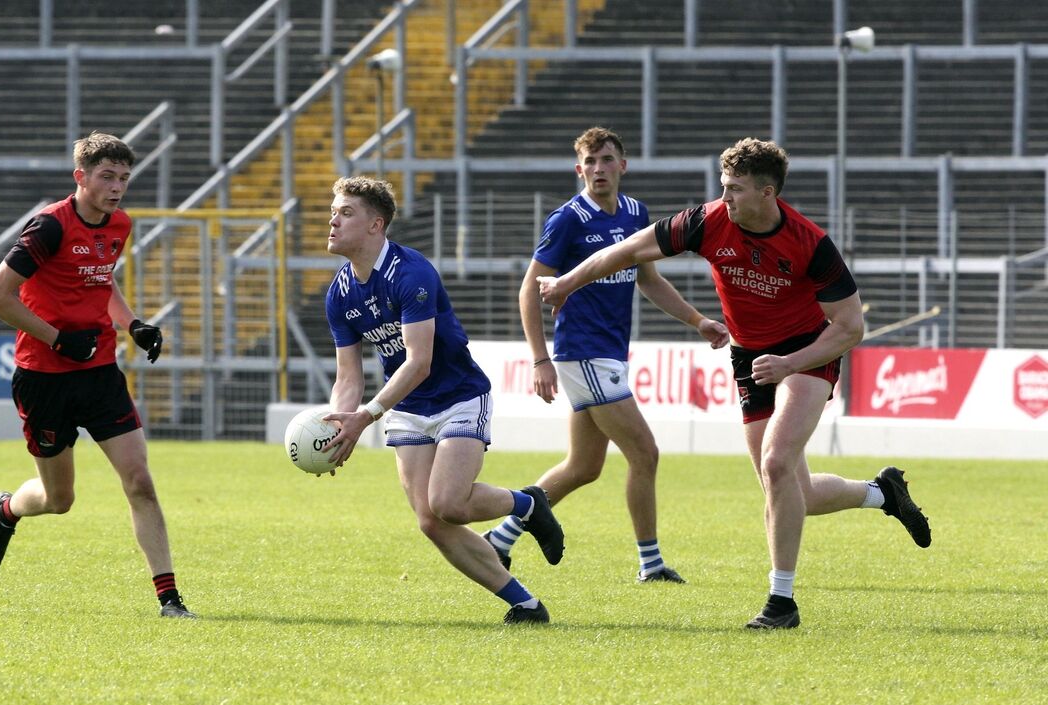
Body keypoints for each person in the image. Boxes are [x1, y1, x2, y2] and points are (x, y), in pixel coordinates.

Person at [538, 137, 931, 630]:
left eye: (735, 190)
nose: (724, 199)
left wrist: (791, 364)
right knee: (790, 491)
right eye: (723, 187)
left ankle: (781, 602)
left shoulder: (811, 244)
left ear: (768, 194)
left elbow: (850, 328)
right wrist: (567, 283)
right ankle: (882, 494)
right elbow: (627, 252)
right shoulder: (706, 221)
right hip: (750, 357)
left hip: (809, 353)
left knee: (777, 460)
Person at [482, 126, 729, 585]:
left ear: (623, 165)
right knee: (645, 452)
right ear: (579, 169)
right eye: (590, 162)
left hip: (611, 354)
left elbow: (649, 280)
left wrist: (698, 321)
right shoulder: (567, 220)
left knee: (583, 467)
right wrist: (541, 360)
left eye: (606, 159)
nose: (598, 169)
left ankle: (499, 537)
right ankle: (651, 564)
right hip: (583, 355)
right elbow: (528, 290)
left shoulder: (636, 212)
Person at [320, 176, 565, 625]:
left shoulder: (410, 273)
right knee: (431, 521)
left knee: (449, 504)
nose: (333, 220)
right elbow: (348, 377)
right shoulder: (338, 293)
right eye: (333, 211)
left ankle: (527, 503)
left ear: (376, 225)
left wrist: (366, 417)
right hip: (411, 408)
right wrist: (340, 423)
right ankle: (526, 605)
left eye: (346, 212)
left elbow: (419, 363)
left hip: (458, 395)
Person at [0, 131, 195, 619]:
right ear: (81, 177)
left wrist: (131, 323)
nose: (117, 187)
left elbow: (103, 274)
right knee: (59, 499)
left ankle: (169, 599)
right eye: (106, 177)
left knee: (139, 481)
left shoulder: (119, 223)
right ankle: (7, 509)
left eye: (123, 178)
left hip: (99, 374)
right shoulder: (47, 228)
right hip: (44, 377)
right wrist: (56, 338)